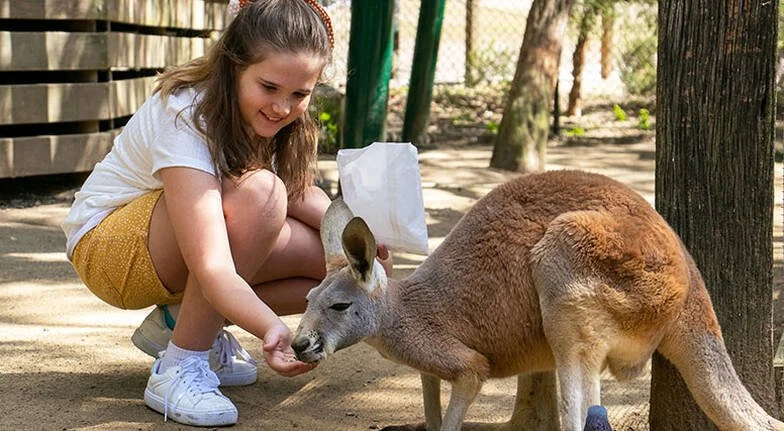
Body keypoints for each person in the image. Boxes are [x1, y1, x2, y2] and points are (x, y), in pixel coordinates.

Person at [62, 0, 391, 426]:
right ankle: (181, 365)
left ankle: (179, 322)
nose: (282, 107)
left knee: (335, 270)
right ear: (234, 65)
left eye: (299, 94)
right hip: (110, 248)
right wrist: (269, 328)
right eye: (269, 87)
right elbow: (214, 262)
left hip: (172, 242)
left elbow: (299, 195)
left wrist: (355, 241)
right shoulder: (188, 111)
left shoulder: (269, 119)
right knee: (260, 196)